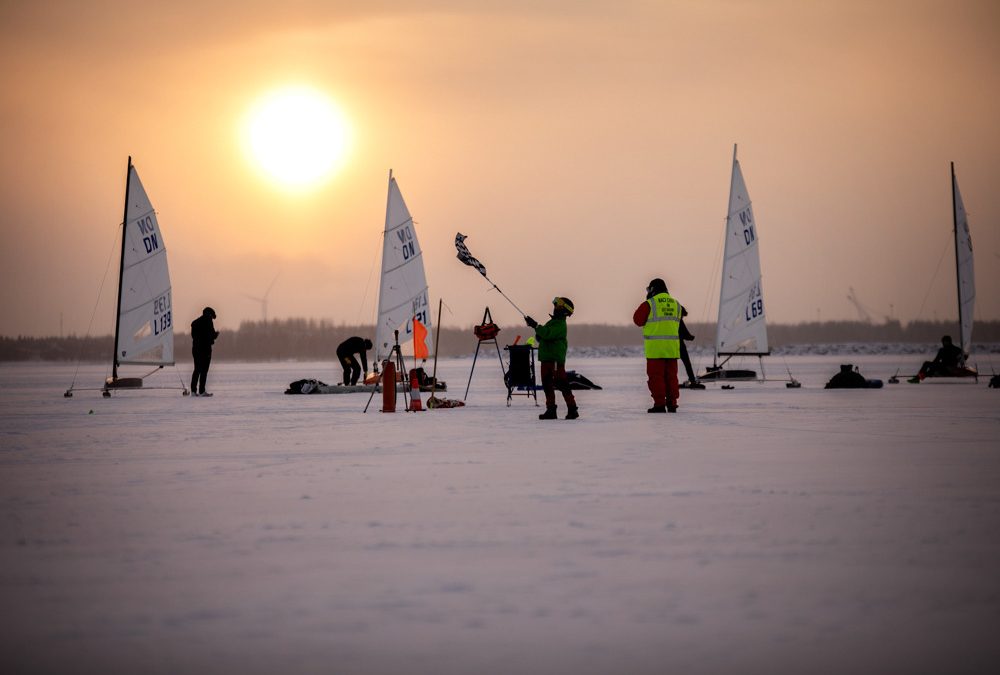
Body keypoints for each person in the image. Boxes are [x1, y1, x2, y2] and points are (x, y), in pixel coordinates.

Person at [525, 297, 578, 420]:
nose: (555, 308)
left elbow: (547, 334)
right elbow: (542, 336)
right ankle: (551, 410)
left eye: (558, 306)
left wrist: (536, 326)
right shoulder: (552, 322)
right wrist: (537, 329)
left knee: (561, 383)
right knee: (547, 385)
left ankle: (572, 409)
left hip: (554, 360)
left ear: (564, 310)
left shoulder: (560, 324)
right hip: (546, 359)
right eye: (555, 306)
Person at [634, 278, 682, 412]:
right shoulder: (676, 304)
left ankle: (660, 404)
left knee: (656, 378)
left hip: (656, 349)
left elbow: (637, 320)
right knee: (671, 377)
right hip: (672, 349)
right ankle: (672, 403)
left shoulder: (650, 304)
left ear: (653, 289)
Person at [190, 307, 219, 396]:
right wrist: (216, 334)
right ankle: (202, 391)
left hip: (196, 349)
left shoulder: (195, 323)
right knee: (204, 371)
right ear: (210, 315)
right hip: (205, 350)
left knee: (197, 370)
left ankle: (193, 391)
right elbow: (211, 335)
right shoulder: (208, 321)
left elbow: (193, 336)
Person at [679, 307, 704, 389]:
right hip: (678, 344)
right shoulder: (678, 320)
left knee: (670, 365)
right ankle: (692, 381)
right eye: (682, 316)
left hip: (668, 344)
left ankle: (670, 383)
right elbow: (685, 333)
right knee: (687, 363)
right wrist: (691, 337)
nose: (682, 318)